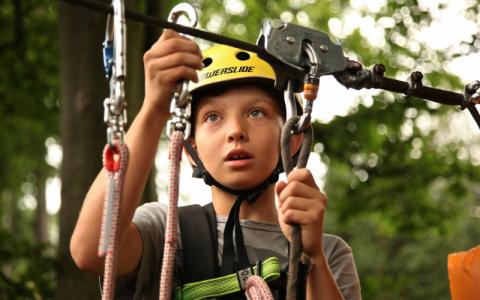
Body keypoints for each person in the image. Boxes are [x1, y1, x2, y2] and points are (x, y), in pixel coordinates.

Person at [70, 29, 361, 299]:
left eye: (256, 112)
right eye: (212, 117)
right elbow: (91, 251)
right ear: (190, 151)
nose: (236, 131)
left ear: (292, 139)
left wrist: (312, 259)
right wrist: (154, 109)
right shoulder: (168, 233)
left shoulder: (330, 253)